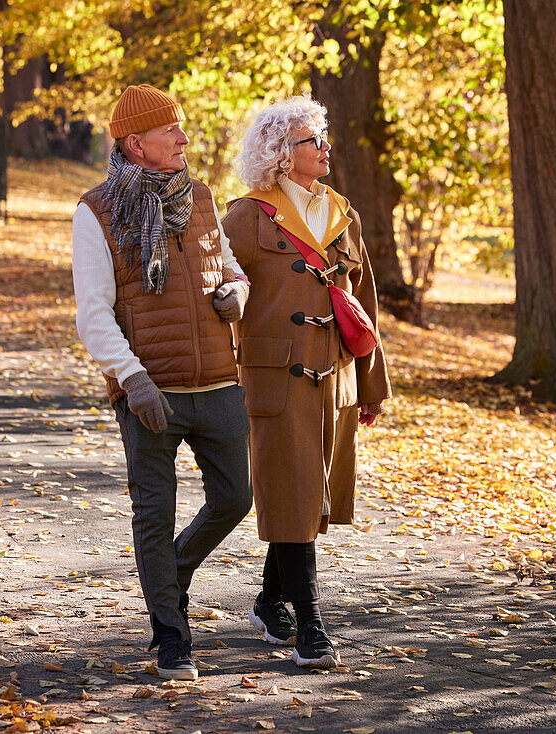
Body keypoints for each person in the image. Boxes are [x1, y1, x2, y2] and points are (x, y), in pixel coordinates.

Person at [71, 84, 253, 681]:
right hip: (150, 390)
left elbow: (229, 267)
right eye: (170, 130)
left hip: (218, 382)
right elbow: (93, 312)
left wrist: (237, 294)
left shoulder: (199, 197)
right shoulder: (96, 210)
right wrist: (131, 379)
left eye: (182, 127)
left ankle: (168, 575)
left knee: (235, 498)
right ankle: (172, 635)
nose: (183, 137)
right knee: (154, 512)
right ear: (135, 143)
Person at [222, 96, 391, 669]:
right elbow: (219, 296)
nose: (325, 149)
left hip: (335, 376)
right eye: (312, 141)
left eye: (322, 139)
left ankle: (272, 600)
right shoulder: (247, 215)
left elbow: (362, 302)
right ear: (279, 153)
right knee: (291, 491)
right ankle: (310, 621)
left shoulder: (343, 211)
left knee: (309, 497)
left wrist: (371, 384)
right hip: (275, 377)